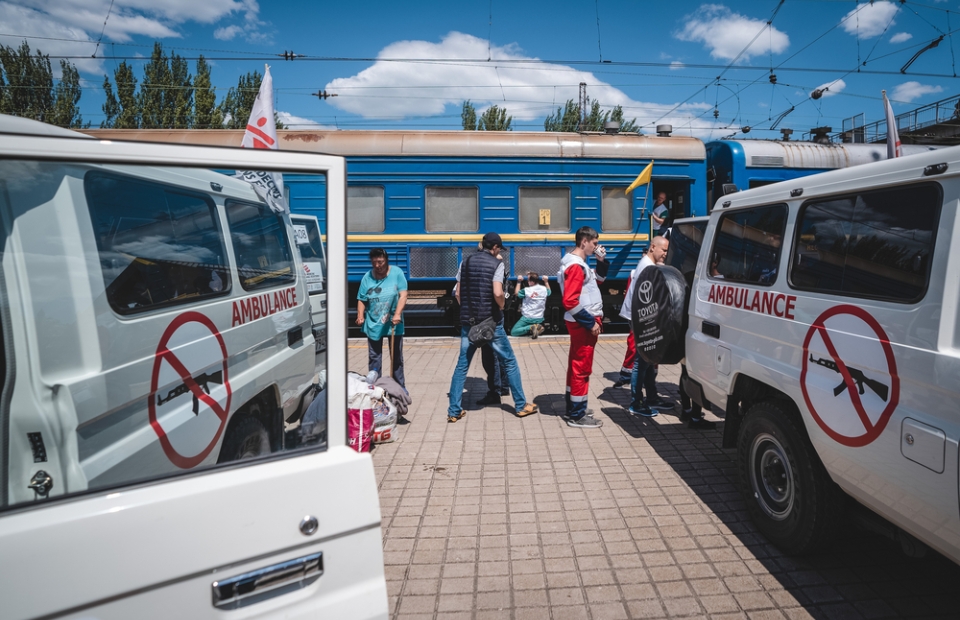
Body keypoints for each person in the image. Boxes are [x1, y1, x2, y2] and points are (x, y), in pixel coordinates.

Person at [447, 232, 538, 422]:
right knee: (510, 362)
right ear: (495, 248)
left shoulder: (466, 262)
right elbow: (498, 292)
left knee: (462, 365)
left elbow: (457, 292)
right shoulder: (497, 264)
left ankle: (454, 411)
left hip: (468, 322)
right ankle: (520, 406)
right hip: (491, 322)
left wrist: (467, 310)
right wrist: (502, 305)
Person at [560, 226, 609, 428]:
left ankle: (574, 406)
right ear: (584, 242)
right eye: (595, 244)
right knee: (582, 367)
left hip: (579, 322)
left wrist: (601, 262)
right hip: (584, 323)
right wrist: (591, 323)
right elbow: (570, 301)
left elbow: (599, 280)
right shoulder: (577, 266)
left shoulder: (577, 263)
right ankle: (577, 415)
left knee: (576, 364)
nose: (596, 247)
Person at [619, 236, 674, 417]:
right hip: (640, 319)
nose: (665, 254)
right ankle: (636, 402)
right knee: (641, 361)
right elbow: (645, 299)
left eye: (667, 251)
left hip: (641, 318)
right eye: (663, 250)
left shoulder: (647, 265)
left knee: (649, 359)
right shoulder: (647, 268)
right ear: (652, 247)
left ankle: (651, 397)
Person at [356, 248, 408, 389]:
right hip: (373, 322)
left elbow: (403, 295)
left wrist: (397, 314)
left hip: (393, 323)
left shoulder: (397, 273)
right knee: (374, 358)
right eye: (374, 263)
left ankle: (399, 388)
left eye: (380, 262)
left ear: (386, 260)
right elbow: (361, 298)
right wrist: (360, 315)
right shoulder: (367, 277)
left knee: (396, 358)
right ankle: (376, 389)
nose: (377, 266)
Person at [510, 272, 550, 338]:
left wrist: (519, 282)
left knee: (514, 331)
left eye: (528, 280)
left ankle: (531, 327)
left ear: (532, 282)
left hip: (527, 318)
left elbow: (517, 293)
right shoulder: (544, 289)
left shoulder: (527, 290)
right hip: (539, 318)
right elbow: (549, 292)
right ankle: (537, 327)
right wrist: (546, 282)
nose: (527, 281)